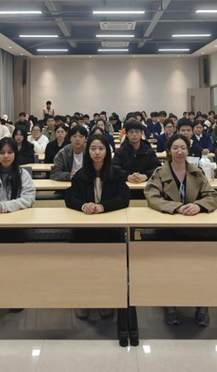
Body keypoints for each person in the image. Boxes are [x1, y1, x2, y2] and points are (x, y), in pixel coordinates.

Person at [145, 134, 217, 327]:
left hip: (194, 228)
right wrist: (176, 207)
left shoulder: (197, 172)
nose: (179, 151)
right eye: (175, 148)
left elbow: (212, 196)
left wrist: (198, 206)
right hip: (167, 228)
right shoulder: (160, 173)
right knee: (171, 268)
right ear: (169, 151)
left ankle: (202, 304)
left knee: (198, 267)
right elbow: (152, 197)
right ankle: (170, 304)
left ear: (188, 150)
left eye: (183, 148)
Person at [65, 134, 130, 321]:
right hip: (84, 229)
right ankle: (83, 299)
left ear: (107, 152)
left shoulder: (116, 174)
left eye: (101, 149)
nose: (97, 153)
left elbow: (124, 198)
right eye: (93, 149)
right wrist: (83, 205)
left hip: (110, 229)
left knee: (108, 265)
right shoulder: (80, 174)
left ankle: (107, 298)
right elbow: (69, 198)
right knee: (83, 265)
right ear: (88, 152)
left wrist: (103, 207)